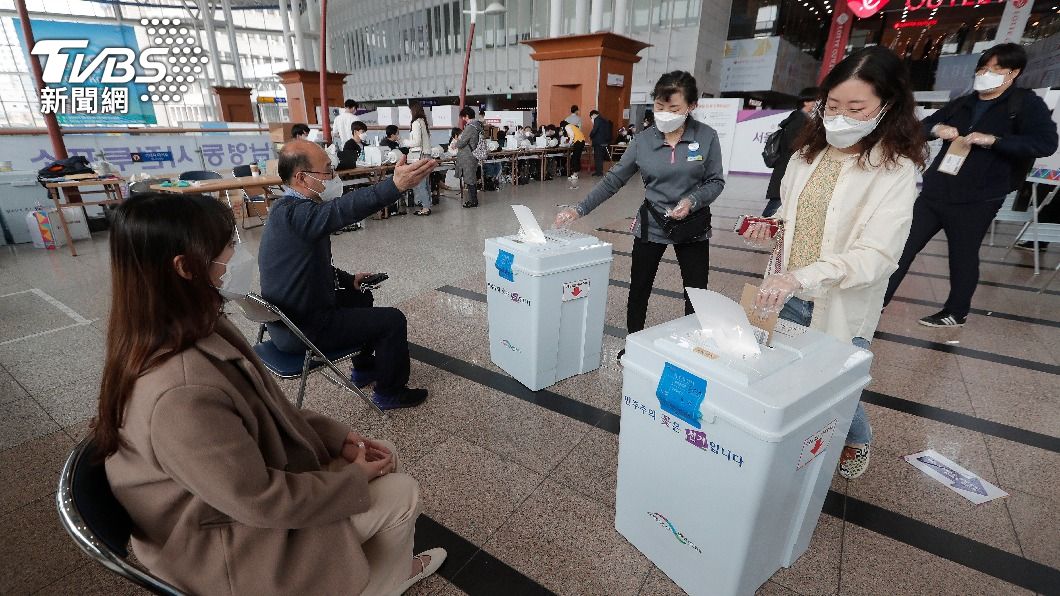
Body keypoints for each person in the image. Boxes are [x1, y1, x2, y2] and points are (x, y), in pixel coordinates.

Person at [97, 192, 446, 595]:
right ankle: (383, 583)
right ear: (185, 267)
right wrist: (350, 480)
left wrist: (339, 438)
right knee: (401, 494)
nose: (238, 254)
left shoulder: (191, 325)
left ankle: (378, 569)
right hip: (223, 548)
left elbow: (268, 407)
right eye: (228, 245)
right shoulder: (178, 392)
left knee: (381, 453)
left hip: (230, 501)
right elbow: (259, 501)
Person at [742, 46, 926, 479]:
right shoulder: (809, 155)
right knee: (788, 370)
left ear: (888, 106)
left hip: (838, 300)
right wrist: (770, 226)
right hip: (786, 290)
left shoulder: (893, 171)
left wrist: (802, 276)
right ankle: (798, 440)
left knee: (838, 387)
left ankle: (857, 437)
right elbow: (791, 213)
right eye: (834, 105)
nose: (840, 117)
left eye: (856, 108)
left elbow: (879, 255)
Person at [884, 43, 1058, 328]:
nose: (985, 74)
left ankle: (955, 311)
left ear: (1013, 73)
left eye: (994, 69)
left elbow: (1045, 143)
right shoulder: (965, 102)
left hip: (980, 196)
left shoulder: (1025, 104)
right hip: (937, 189)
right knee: (902, 247)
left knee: (962, 254)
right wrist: (936, 129)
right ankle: (878, 301)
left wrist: (995, 141)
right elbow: (922, 127)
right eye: (982, 68)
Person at [555, 71, 724, 353]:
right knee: (639, 289)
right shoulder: (644, 140)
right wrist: (579, 208)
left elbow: (715, 181)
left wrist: (693, 200)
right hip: (652, 225)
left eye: (674, 109)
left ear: (691, 106)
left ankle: (692, 350)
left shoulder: (706, 137)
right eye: (659, 107)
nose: (665, 114)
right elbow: (614, 180)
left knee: (695, 294)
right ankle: (633, 344)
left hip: (693, 228)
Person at [258, 140, 436, 409]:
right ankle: (390, 393)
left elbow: (306, 266)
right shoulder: (301, 214)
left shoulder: (283, 211)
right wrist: (394, 186)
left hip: (287, 322)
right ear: (302, 178)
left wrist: (345, 279)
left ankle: (364, 370)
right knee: (393, 320)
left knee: (359, 296)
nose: (333, 177)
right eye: (327, 170)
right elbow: (343, 210)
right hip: (303, 330)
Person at [763, 87, 819, 217]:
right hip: (786, 171)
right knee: (774, 208)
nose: (819, 104)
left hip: (788, 171)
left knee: (778, 205)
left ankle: (759, 229)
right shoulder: (798, 120)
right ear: (806, 102)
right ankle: (756, 229)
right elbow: (793, 145)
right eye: (816, 100)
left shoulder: (802, 119)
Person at [453, 106, 484, 208]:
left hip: (468, 156)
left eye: (463, 117)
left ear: (466, 116)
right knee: (471, 178)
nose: (463, 119)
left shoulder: (470, 127)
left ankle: (473, 201)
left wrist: (456, 143)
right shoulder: (478, 126)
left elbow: (462, 143)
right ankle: (473, 200)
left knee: (470, 179)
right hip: (473, 154)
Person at [408, 101, 433, 216]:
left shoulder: (416, 123)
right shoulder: (423, 122)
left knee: (420, 183)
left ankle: (425, 208)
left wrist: (403, 141)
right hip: (427, 155)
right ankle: (427, 204)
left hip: (420, 155)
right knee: (426, 182)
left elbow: (416, 142)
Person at [588, 109, 614, 177]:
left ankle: (598, 172)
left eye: (591, 117)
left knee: (597, 157)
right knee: (600, 157)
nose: (592, 119)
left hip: (598, 142)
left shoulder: (597, 119)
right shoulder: (604, 120)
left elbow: (594, 130)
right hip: (604, 141)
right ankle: (599, 171)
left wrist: (590, 135)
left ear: (593, 115)